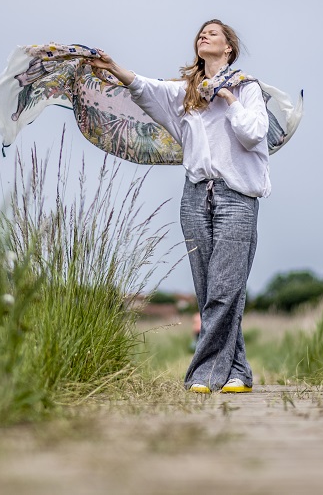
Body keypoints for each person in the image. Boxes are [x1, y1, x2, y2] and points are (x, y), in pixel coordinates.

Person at [84, 19, 268, 394]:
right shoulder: (186, 93)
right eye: (201, 33)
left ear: (228, 48)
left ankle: (203, 374)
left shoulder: (247, 88)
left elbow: (253, 134)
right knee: (207, 287)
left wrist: (229, 98)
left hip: (237, 196)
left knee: (225, 285)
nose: (204, 35)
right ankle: (238, 372)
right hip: (196, 195)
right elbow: (146, 88)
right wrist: (114, 68)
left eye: (213, 32)